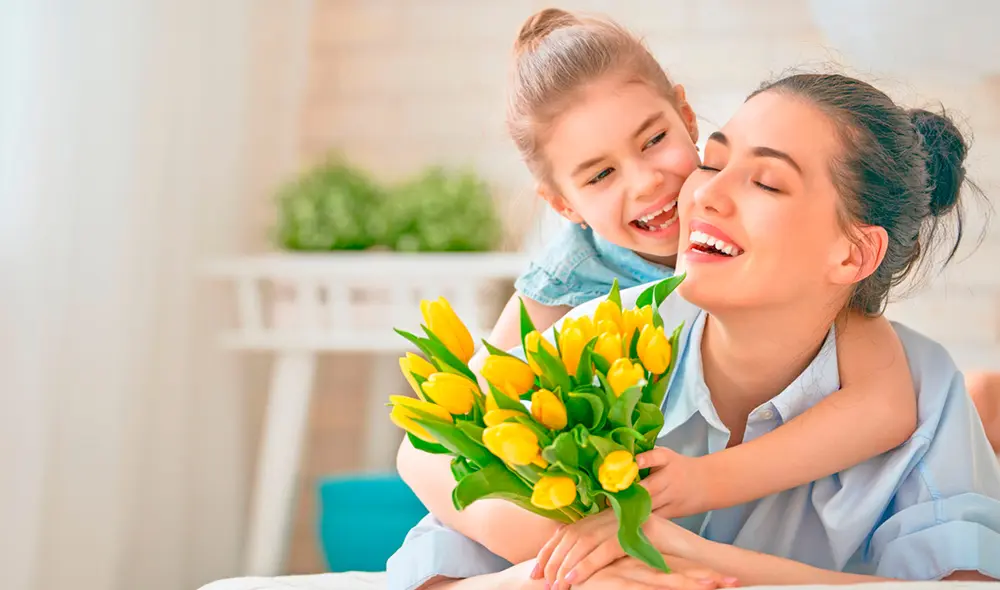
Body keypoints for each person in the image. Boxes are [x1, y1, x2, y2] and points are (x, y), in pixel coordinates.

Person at [387, 64, 1000, 589]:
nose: (699, 196)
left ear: (852, 255)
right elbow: (439, 544)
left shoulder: (920, 389)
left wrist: (691, 559)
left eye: (766, 181)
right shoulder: (595, 344)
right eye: (711, 161)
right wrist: (572, 571)